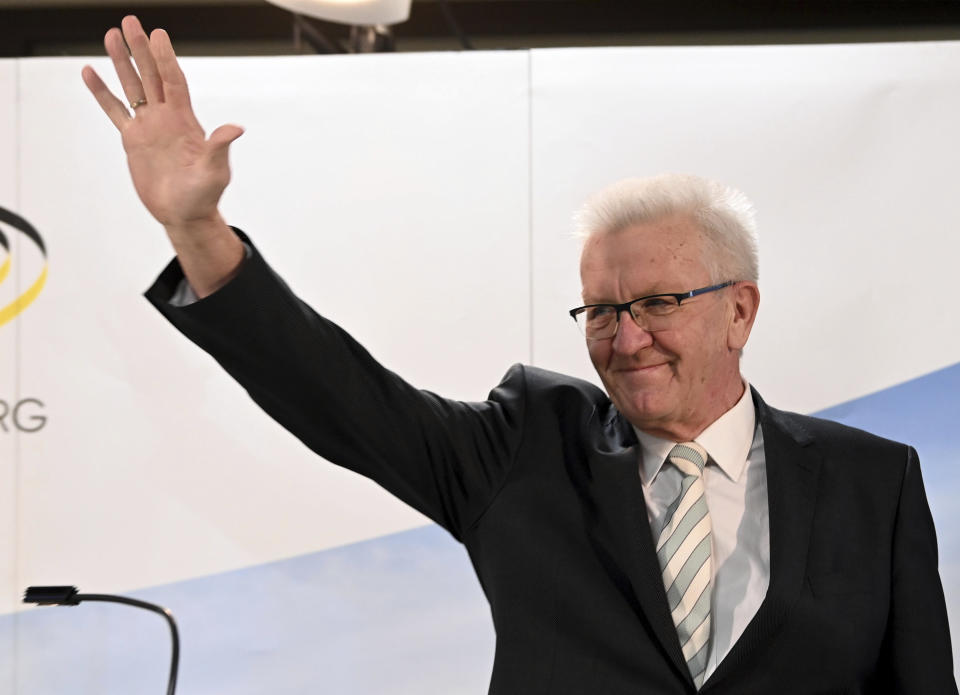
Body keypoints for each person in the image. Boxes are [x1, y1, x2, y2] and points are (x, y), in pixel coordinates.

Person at [82, 15, 957, 694]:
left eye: (657, 302)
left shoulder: (870, 483)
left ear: (740, 311)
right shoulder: (527, 447)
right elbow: (342, 398)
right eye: (602, 310)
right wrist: (197, 229)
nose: (627, 337)